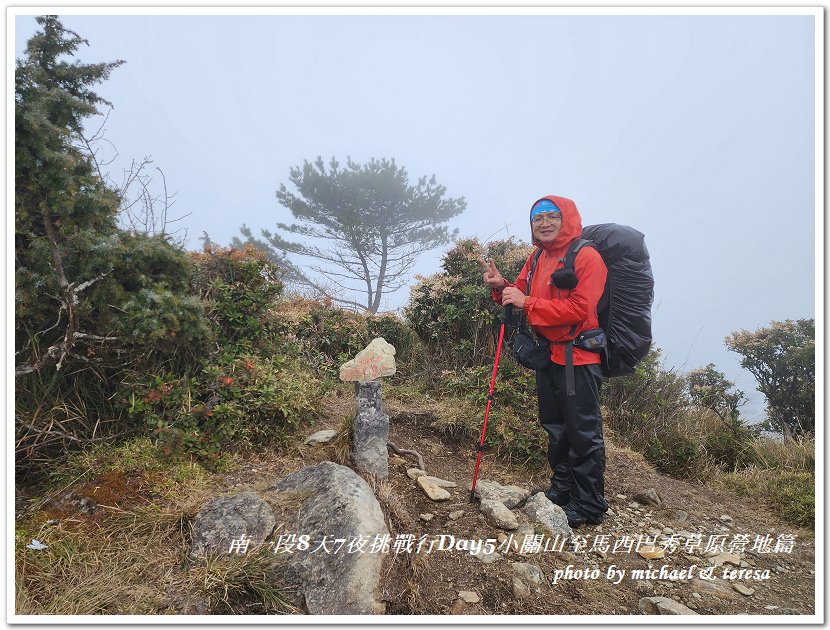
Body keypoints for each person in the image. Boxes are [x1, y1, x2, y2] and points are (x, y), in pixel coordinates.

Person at [480, 195, 608, 527]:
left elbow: (581, 309)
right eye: (538, 218)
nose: (545, 223)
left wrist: (527, 302)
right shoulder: (537, 257)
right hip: (548, 354)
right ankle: (563, 489)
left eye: (552, 216)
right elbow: (518, 293)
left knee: (583, 431)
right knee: (555, 425)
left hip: (578, 356)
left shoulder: (587, 256)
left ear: (567, 219)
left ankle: (590, 504)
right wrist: (501, 287)